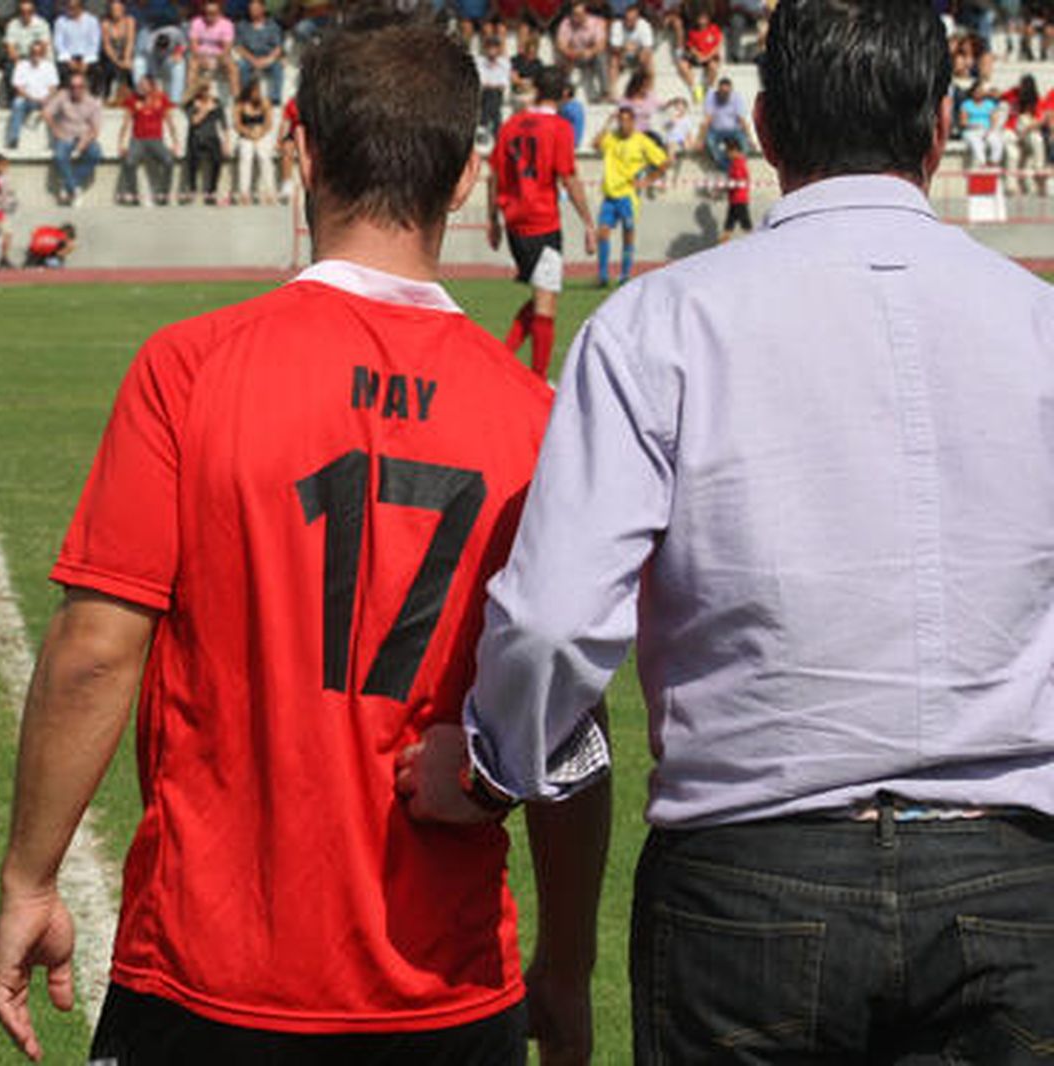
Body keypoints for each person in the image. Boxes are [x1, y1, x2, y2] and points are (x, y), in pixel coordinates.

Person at [404, 0, 1054, 1061]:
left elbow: (558, 619)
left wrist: (489, 769)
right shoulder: (1036, 323)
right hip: (1011, 864)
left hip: (751, 868)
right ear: (941, 127)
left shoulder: (658, 322)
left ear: (764, 129)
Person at [0, 13, 557, 1064]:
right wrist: (564, 959)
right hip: (445, 981)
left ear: (301, 152)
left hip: (212, 966)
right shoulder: (534, 416)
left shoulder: (191, 368)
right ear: (467, 178)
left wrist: (30, 876)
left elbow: (95, 652)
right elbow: (567, 706)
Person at [487, 65, 595, 377]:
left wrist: (492, 220)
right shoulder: (560, 128)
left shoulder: (511, 125)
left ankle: (503, 359)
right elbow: (568, 177)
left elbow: (494, 175)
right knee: (546, 302)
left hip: (514, 224)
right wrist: (588, 222)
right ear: (564, 94)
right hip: (543, 222)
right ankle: (536, 379)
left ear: (536, 89)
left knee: (541, 295)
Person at [593, 102, 666, 286]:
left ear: (633, 122)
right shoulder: (611, 137)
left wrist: (647, 180)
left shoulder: (642, 141)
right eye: (620, 120)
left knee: (628, 233)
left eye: (627, 120)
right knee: (602, 233)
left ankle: (625, 274)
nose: (623, 124)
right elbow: (595, 144)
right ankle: (603, 276)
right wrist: (607, 123)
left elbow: (663, 162)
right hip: (609, 195)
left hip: (628, 196)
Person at [42, 66, 100, 204]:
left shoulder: (92, 102)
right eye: (73, 87)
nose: (76, 90)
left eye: (79, 87)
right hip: (65, 135)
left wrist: (84, 142)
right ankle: (74, 189)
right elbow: (46, 113)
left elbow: (95, 129)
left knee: (95, 154)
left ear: (85, 88)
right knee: (60, 156)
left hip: (84, 137)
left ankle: (69, 184)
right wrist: (56, 130)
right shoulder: (63, 96)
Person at [115, 72, 175, 204]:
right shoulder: (133, 99)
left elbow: (170, 121)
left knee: (169, 161)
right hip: (138, 139)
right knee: (129, 162)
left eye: (143, 84)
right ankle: (133, 194)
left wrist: (175, 142)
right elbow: (126, 123)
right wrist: (121, 143)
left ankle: (163, 194)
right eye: (139, 84)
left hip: (156, 139)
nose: (140, 87)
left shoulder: (161, 98)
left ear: (151, 86)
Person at [179, 75, 226, 204]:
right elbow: (194, 121)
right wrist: (205, 110)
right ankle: (192, 189)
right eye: (205, 89)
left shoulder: (216, 102)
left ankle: (212, 190)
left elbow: (224, 124)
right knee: (192, 161)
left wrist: (226, 142)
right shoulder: (191, 103)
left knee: (217, 160)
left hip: (212, 136)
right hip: (196, 135)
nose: (207, 92)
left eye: (208, 89)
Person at [4, 34, 54, 147]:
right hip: (27, 99)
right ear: (29, 53)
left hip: (45, 100)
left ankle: (58, 141)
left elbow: (53, 88)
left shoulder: (49, 66)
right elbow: (18, 88)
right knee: (17, 103)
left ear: (43, 53)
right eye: (34, 52)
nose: (36, 55)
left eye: (39, 52)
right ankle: (13, 139)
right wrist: (32, 98)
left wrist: (46, 98)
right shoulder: (21, 65)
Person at [553, 0, 606, 103]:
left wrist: (591, 51)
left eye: (579, 14)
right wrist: (572, 53)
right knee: (560, 56)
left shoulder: (596, 22)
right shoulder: (566, 23)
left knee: (601, 56)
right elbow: (561, 45)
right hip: (572, 55)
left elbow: (601, 44)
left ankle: (605, 91)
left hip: (590, 55)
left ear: (586, 13)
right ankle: (564, 90)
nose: (576, 17)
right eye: (574, 14)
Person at [697, 74, 753, 169]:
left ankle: (737, 164)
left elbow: (742, 120)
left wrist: (750, 138)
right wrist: (700, 140)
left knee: (746, 146)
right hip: (716, 130)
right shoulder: (711, 97)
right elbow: (707, 120)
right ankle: (727, 167)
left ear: (731, 91)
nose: (724, 94)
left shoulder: (737, 98)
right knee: (711, 144)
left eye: (727, 92)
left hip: (734, 130)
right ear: (718, 90)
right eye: (722, 92)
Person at [230, 76, 270, 203]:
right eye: (255, 91)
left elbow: (268, 123)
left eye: (259, 91)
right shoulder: (240, 104)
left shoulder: (264, 102)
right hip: (245, 134)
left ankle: (268, 191)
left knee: (264, 156)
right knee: (246, 156)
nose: (257, 94)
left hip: (261, 134)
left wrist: (260, 133)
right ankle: (244, 192)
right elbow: (236, 124)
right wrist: (248, 133)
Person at [231, 0, 280, 103]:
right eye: (251, 9)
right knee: (242, 66)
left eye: (256, 9)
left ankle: (275, 98)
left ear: (263, 9)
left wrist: (268, 59)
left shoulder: (272, 26)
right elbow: (239, 47)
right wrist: (253, 60)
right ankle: (246, 95)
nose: (253, 11)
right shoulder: (242, 26)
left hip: (267, 57)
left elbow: (278, 47)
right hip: (249, 57)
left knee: (277, 67)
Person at [676, 3, 721, 105]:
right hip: (698, 56)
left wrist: (707, 57)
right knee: (682, 65)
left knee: (713, 67)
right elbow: (691, 47)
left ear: (708, 19)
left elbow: (717, 47)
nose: (702, 20)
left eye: (704, 18)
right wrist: (698, 55)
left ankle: (709, 90)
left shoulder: (714, 29)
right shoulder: (693, 31)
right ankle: (695, 88)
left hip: (709, 56)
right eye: (700, 18)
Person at [94, 0, 133, 101]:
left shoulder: (129, 21)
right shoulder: (105, 23)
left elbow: (130, 41)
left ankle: (132, 93)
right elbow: (107, 46)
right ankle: (107, 94)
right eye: (113, 10)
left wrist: (126, 58)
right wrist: (118, 62)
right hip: (110, 56)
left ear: (123, 9)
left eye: (118, 9)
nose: (116, 12)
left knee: (131, 67)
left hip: (126, 53)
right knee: (109, 67)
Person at [50, 0, 96, 79]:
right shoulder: (60, 21)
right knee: (60, 70)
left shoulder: (92, 21)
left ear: (80, 8)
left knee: (97, 70)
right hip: (68, 57)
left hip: (86, 56)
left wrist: (86, 61)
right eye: (68, 7)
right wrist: (69, 60)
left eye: (72, 8)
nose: (69, 10)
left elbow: (94, 44)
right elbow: (58, 43)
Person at [719, 136, 750, 240]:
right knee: (729, 225)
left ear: (734, 150)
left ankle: (755, 244)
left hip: (739, 200)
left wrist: (724, 186)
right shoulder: (737, 162)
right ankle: (723, 243)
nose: (727, 155)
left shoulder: (738, 163)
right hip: (735, 199)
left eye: (728, 152)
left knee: (746, 226)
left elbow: (737, 182)